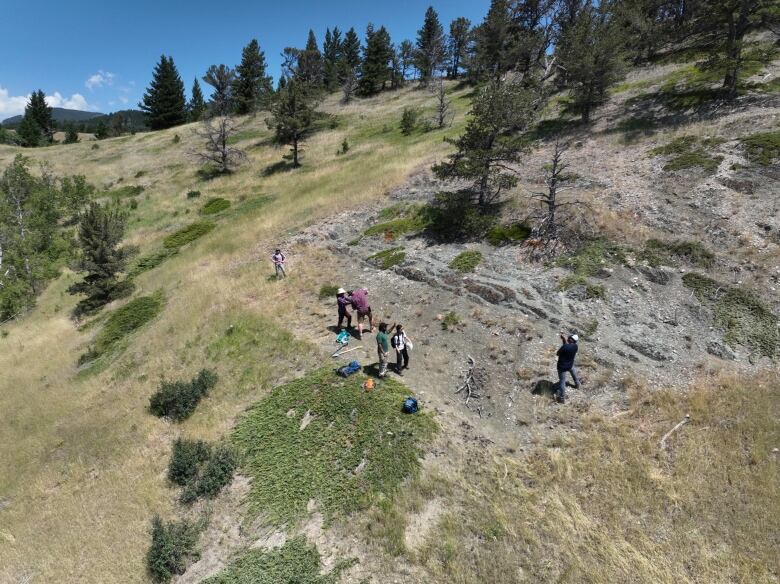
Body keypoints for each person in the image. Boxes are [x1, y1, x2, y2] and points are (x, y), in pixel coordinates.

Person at [555, 332, 580, 404]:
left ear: (572, 340)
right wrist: (564, 339)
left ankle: (562, 398)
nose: (568, 338)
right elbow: (566, 346)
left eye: (569, 338)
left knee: (562, 382)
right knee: (574, 375)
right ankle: (577, 385)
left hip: (562, 367)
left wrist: (564, 340)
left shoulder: (565, 347)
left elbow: (558, 353)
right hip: (570, 365)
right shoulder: (575, 346)